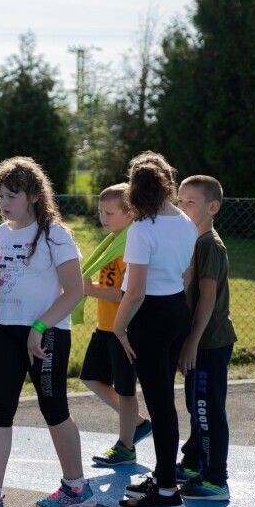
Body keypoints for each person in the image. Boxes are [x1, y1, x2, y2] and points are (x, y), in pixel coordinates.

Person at [0, 157, 94, 507]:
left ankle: (77, 488)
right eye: (0, 196)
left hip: (47, 332)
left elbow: (75, 291)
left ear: (33, 196)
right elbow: (2, 284)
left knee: (54, 409)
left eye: (12, 196)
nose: (3, 203)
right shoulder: (2, 233)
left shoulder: (55, 234)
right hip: (7, 329)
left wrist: (40, 326)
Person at [114, 152, 198, 507]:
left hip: (149, 319)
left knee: (161, 406)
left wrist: (118, 327)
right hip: (176, 312)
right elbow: (187, 276)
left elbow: (135, 292)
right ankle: (163, 478)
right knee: (164, 403)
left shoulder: (142, 230)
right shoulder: (186, 222)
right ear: (168, 183)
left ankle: (166, 492)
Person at [76, 183, 153, 466]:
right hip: (104, 327)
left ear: (129, 213)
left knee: (125, 390)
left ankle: (126, 446)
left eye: (109, 213)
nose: (102, 218)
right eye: (100, 212)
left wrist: (89, 289)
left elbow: (126, 293)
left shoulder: (129, 247)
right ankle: (138, 424)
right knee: (90, 377)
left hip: (123, 330)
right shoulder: (112, 243)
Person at [175, 174, 236, 501]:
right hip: (200, 342)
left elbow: (207, 298)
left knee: (207, 409)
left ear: (212, 207)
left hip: (210, 343)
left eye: (190, 202)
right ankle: (193, 462)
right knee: (195, 405)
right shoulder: (194, 241)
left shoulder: (209, 244)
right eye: (180, 201)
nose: (182, 208)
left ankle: (215, 479)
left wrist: (192, 343)